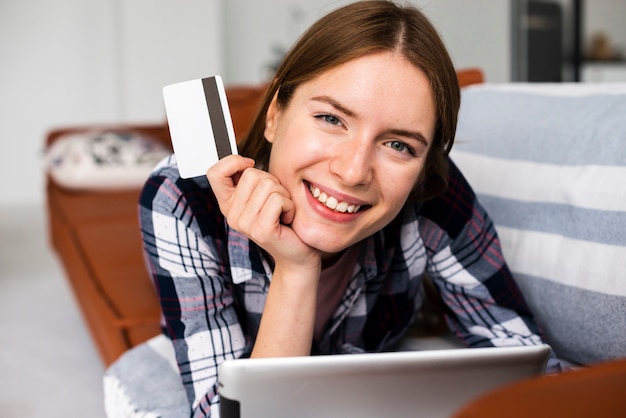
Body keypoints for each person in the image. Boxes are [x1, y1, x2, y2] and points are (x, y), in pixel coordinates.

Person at [139, 1, 564, 416]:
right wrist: (296, 269)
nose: (353, 171)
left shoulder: (435, 193)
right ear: (274, 115)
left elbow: (533, 372)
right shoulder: (180, 199)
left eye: (398, 145)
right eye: (331, 119)